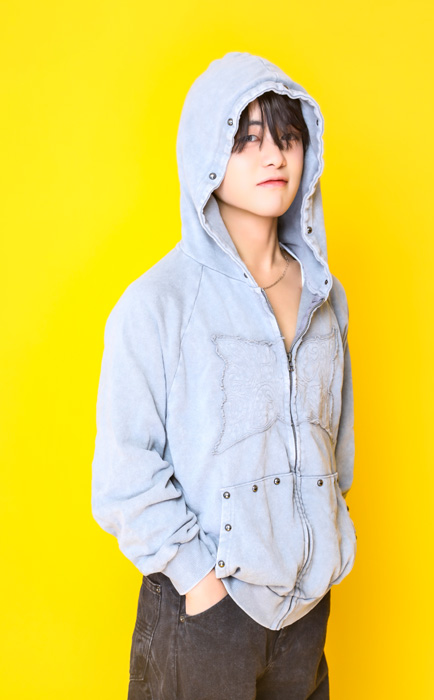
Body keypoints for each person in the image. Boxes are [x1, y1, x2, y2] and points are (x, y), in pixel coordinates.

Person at [91, 51, 358, 700]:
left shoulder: (325, 297)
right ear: (206, 154)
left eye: (288, 137)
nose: (275, 157)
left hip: (305, 610)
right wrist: (199, 582)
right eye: (248, 140)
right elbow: (123, 475)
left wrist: (321, 543)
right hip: (205, 612)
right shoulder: (158, 304)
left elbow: (336, 447)